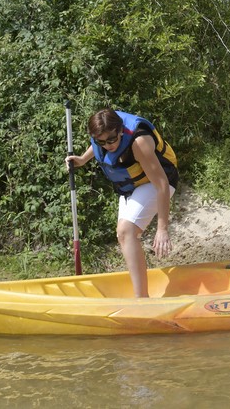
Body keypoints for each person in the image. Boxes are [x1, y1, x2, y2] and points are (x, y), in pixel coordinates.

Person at [65, 108, 179, 298]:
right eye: (102, 141)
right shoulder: (102, 134)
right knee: (124, 234)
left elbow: (162, 185)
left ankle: (142, 300)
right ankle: (141, 296)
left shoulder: (139, 142)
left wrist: (162, 228)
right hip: (132, 185)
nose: (108, 145)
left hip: (160, 181)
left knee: (126, 231)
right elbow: (98, 144)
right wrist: (83, 160)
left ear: (120, 131)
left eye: (112, 140)